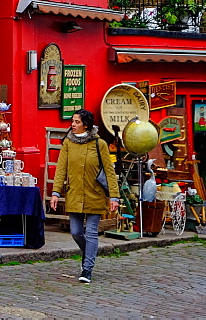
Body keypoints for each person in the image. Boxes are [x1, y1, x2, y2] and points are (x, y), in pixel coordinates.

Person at [51, 108, 120, 284]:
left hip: (95, 194)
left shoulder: (100, 144)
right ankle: (88, 252)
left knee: (91, 233)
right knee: (75, 232)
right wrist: (55, 193)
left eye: (77, 122)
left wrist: (114, 196)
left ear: (86, 125)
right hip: (74, 193)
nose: (72, 125)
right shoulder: (68, 142)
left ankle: (87, 269)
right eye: (72, 121)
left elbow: (109, 171)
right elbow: (61, 169)